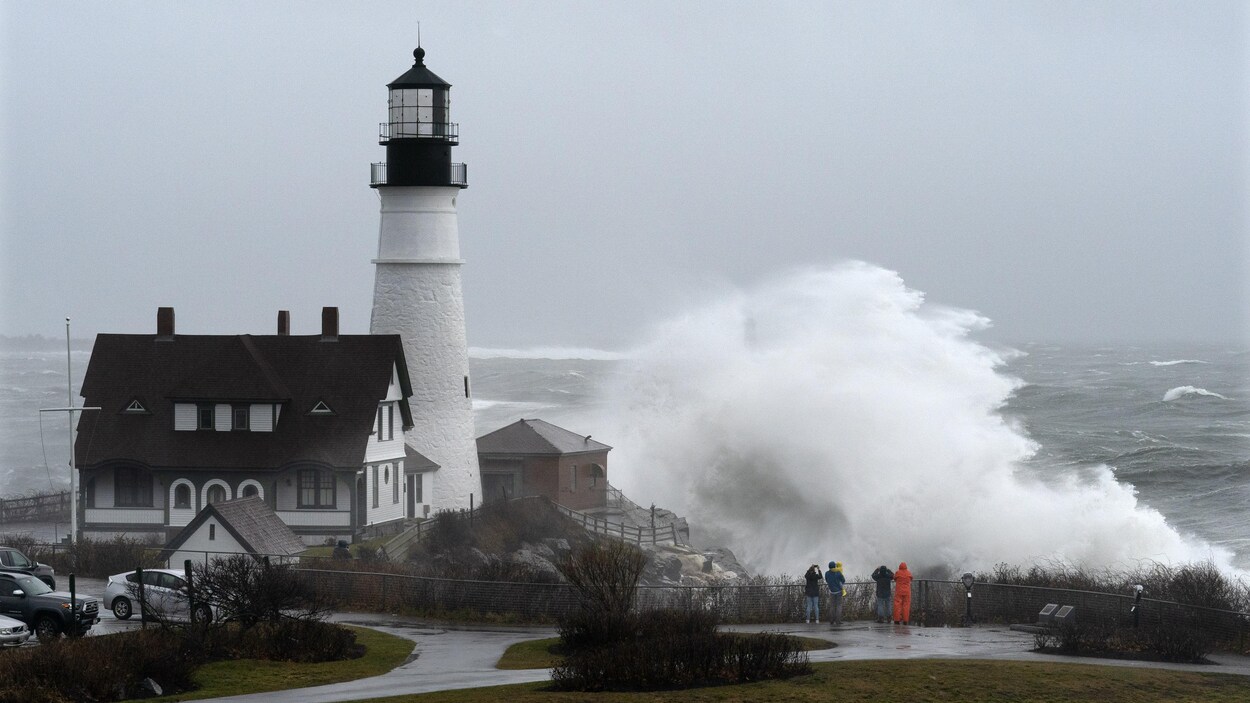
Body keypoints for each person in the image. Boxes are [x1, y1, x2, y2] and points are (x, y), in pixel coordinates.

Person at [824, 561, 847, 625]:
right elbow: (843, 580)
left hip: (832, 592)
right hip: (839, 591)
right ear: (835, 566)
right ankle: (838, 621)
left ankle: (831, 620)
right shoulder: (838, 573)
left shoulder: (827, 573)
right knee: (839, 606)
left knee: (832, 606)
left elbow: (826, 580)